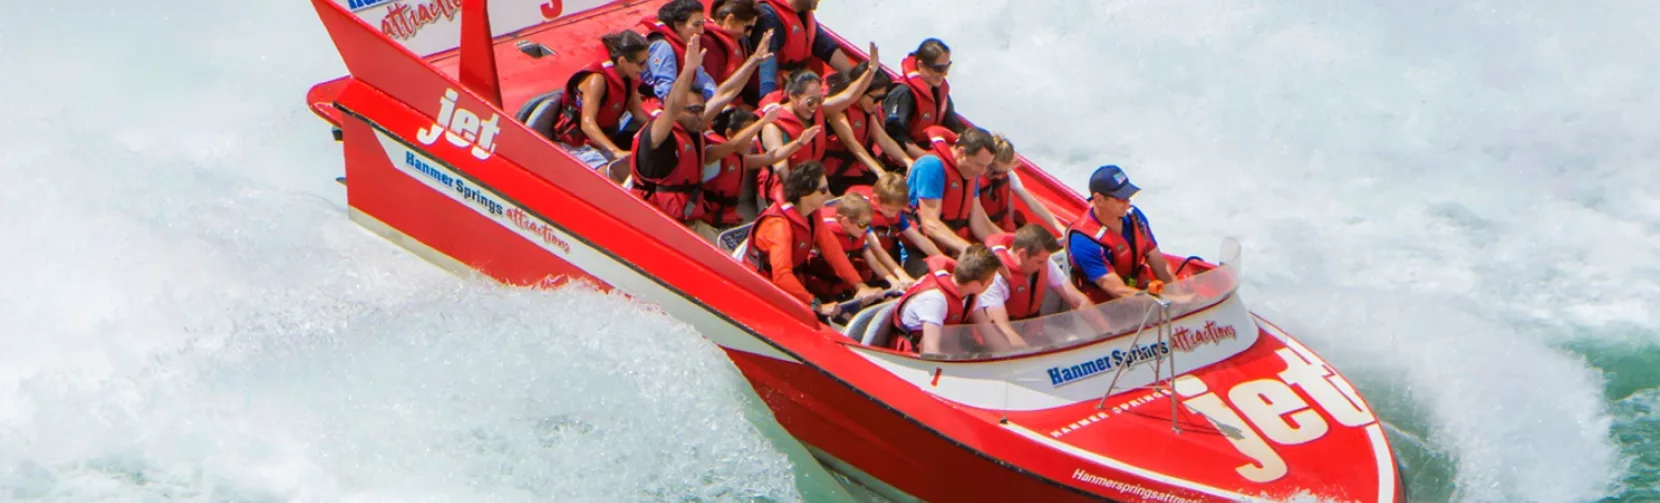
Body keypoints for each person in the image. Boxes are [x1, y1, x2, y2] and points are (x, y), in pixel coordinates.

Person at [745, 161, 880, 319]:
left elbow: (833, 252)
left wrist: (859, 285)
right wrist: (817, 305)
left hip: (794, 286)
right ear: (804, 193)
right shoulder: (778, 226)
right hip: (764, 290)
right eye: (823, 190)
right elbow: (781, 276)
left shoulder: (811, 215)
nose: (829, 194)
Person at [629, 35, 721, 241]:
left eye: (701, 110)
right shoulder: (658, 134)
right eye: (694, 110)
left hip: (689, 221)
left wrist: (754, 60)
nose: (700, 115)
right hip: (657, 228)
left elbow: (725, 94)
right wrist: (688, 70)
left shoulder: (692, 128)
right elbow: (672, 107)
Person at [970, 224, 1106, 351]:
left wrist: (1107, 333)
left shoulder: (1044, 263)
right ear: (1022, 254)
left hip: (1033, 334)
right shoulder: (995, 279)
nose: (1043, 266)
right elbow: (1003, 330)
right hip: (999, 346)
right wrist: (1032, 357)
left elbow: (1079, 301)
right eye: (1039, 262)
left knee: (1072, 341)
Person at [549, 31, 651, 179]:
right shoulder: (597, 81)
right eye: (641, 63)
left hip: (601, 142)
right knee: (610, 181)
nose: (644, 68)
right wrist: (615, 151)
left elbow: (639, 114)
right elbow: (587, 122)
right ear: (622, 61)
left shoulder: (629, 79)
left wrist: (665, 132)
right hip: (576, 145)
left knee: (636, 176)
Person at [1065, 165, 1176, 300]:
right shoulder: (1083, 241)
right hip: (1110, 309)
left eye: (1129, 196)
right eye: (1121, 198)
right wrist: (1170, 300)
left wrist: (1179, 294)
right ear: (1099, 199)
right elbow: (1119, 291)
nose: (1128, 202)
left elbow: (1160, 265)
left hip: (1143, 293)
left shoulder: (1135, 217)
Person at [702, 107, 822, 228]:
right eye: (750, 134)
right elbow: (734, 145)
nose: (754, 141)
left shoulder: (740, 159)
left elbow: (772, 157)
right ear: (729, 134)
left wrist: (799, 142)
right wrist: (763, 121)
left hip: (727, 220)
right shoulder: (711, 154)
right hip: (706, 222)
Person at [885, 244, 1002, 354]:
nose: (992, 283)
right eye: (991, 280)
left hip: (945, 350)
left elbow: (989, 334)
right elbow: (930, 351)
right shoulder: (935, 300)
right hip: (910, 360)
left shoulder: (969, 293)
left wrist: (1010, 359)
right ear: (976, 284)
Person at [906, 126, 1001, 259]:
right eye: (979, 164)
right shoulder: (932, 166)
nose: (982, 172)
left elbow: (978, 222)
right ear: (961, 152)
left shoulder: (970, 174)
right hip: (915, 247)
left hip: (950, 247)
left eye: (986, 166)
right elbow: (930, 224)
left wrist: (1003, 248)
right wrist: (968, 250)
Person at [822, 62, 912, 194]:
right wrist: (880, 172)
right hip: (835, 177)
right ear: (861, 90)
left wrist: (908, 161)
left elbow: (884, 140)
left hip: (857, 172)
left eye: (883, 98)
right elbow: (851, 142)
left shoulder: (865, 110)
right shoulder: (838, 109)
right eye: (876, 98)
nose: (879, 104)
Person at [804, 194, 907, 301]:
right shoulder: (825, 233)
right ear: (845, 221)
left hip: (845, 285)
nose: (867, 228)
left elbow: (873, 261)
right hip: (821, 286)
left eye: (869, 224)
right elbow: (839, 262)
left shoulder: (858, 232)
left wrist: (893, 280)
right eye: (863, 224)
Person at [749, 0, 855, 100]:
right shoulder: (768, 15)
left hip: (799, 90)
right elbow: (767, 67)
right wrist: (768, 103)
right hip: (775, 95)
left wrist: (857, 77)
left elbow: (828, 49)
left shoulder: (805, 15)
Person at [883, 38, 964, 159]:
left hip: (928, 152)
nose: (944, 74)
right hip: (900, 160)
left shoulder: (940, 92)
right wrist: (926, 158)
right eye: (938, 69)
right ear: (921, 65)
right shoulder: (903, 93)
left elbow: (954, 127)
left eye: (947, 67)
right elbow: (895, 135)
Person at [979, 134, 1065, 234]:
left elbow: (1033, 204)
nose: (998, 176)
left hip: (1003, 229)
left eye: (1002, 172)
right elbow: (979, 220)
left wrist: (1061, 228)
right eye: (994, 171)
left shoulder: (1008, 175)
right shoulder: (974, 177)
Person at [639, 0, 718, 103]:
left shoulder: (687, 47)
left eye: (702, 25)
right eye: (696, 25)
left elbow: (704, 82)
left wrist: (721, 105)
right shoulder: (663, 47)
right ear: (678, 25)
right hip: (663, 110)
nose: (701, 31)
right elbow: (665, 92)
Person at [702, 0, 760, 88]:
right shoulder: (709, 42)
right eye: (747, 28)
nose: (748, 34)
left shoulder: (739, 41)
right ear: (731, 20)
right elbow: (708, 86)